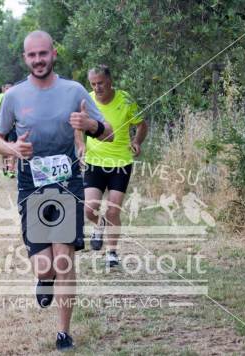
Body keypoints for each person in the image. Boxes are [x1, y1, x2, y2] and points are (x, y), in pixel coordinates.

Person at [0, 31, 113, 351]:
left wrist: (91, 126)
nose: (38, 60)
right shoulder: (14, 96)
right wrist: (13, 148)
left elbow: (109, 134)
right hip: (32, 183)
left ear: (53, 54)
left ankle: (63, 332)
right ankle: (43, 278)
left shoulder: (73, 91)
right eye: (32, 56)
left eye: (43, 54)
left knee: (64, 259)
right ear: (25, 59)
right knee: (46, 265)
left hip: (68, 182)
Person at [83, 65, 148, 267]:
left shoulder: (125, 99)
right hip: (94, 161)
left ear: (110, 81)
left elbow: (141, 124)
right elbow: (78, 125)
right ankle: (99, 224)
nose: (97, 88)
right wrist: (79, 145)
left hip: (120, 162)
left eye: (100, 83)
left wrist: (137, 141)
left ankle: (112, 252)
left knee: (113, 210)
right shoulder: (87, 100)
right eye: (93, 84)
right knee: (89, 208)